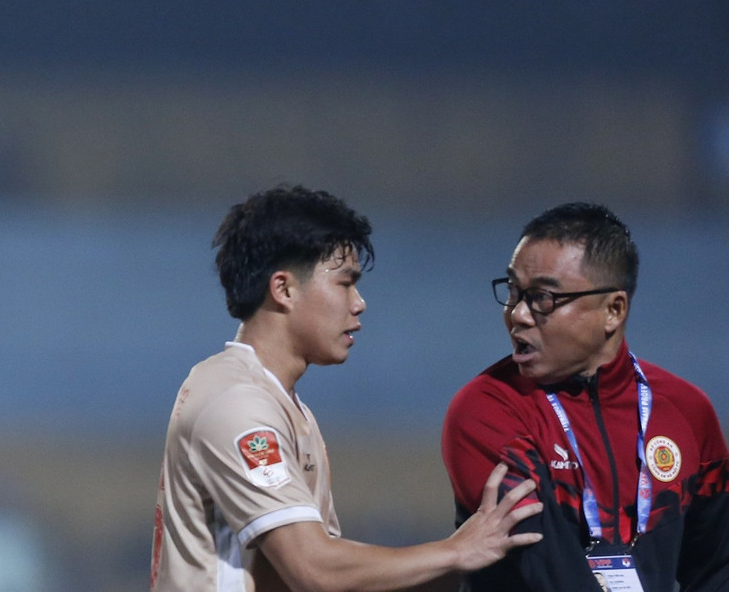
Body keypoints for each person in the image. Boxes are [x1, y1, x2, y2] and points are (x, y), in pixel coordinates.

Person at [151, 185, 544, 592]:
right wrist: (457, 552)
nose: (359, 303)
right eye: (344, 283)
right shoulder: (237, 405)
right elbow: (314, 570)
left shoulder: (277, 404)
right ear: (284, 289)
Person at [442, 202, 729, 591]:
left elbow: (717, 570)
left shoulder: (686, 410)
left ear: (613, 310)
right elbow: (546, 569)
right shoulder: (487, 408)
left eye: (542, 297)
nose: (518, 314)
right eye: (513, 291)